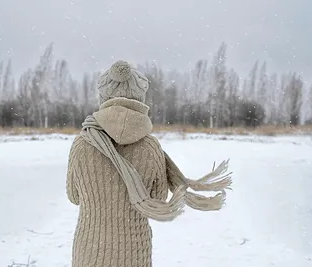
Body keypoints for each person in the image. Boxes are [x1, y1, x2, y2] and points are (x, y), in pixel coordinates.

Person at [66, 60, 232, 267]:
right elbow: (158, 197)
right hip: (134, 251)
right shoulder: (150, 146)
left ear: (103, 98)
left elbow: (74, 196)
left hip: (89, 250)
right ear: (140, 98)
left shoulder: (82, 143)